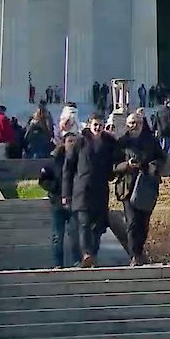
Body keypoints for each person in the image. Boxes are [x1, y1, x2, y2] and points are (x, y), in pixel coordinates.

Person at [61, 113, 119, 268]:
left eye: (100, 125)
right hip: (82, 190)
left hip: (100, 190)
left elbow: (114, 163)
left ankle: (93, 254)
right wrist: (66, 194)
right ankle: (86, 254)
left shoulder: (109, 144)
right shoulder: (80, 143)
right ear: (89, 125)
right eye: (95, 125)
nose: (97, 128)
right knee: (84, 224)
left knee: (98, 227)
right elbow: (68, 169)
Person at [114, 111, 166, 266]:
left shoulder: (151, 141)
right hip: (127, 187)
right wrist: (127, 165)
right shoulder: (122, 143)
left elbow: (162, 158)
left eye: (137, 122)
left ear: (143, 124)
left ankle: (140, 250)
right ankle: (134, 254)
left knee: (143, 222)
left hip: (146, 186)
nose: (134, 126)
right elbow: (114, 166)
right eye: (131, 123)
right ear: (127, 125)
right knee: (132, 222)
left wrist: (152, 167)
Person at [40, 120, 81, 268]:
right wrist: (55, 188)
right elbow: (43, 180)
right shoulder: (54, 161)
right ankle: (58, 263)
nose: (72, 144)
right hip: (57, 203)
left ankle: (77, 260)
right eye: (70, 141)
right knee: (58, 236)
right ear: (63, 143)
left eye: (75, 142)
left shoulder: (80, 161)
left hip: (75, 202)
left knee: (75, 234)